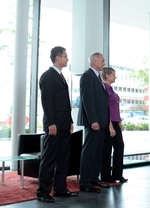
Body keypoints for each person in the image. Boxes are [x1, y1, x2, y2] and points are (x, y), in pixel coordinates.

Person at [36, 46, 78, 203]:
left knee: (63, 159)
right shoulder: (47, 76)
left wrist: (70, 122)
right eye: (65, 56)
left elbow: (64, 103)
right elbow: (47, 103)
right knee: (49, 160)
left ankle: (60, 189)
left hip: (64, 125)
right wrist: (51, 123)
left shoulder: (60, 76)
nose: (67, 59)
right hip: (54, 126)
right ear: (57, 58)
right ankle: (42, 192)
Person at [77, 52, 110, 193]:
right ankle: (85, 182)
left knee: (98, 152)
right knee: (89, 152)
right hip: (94, 122)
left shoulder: (98, 78)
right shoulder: (87, 76)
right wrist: (93, 120)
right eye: (102, 60)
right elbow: (87, 100)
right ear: (95, 62)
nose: (104, 63)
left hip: (101, 122)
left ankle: (94, 178)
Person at [100, 66, 128, 183]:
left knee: (119, 147)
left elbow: (115, 108)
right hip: (109, 123)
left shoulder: (111, 90)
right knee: (106, 150)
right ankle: (106, 175)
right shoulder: (104, 89)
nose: (115, 76)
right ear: (107, 75)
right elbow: (106, 109)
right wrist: (110, 125)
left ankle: (118, 175)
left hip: (116, 122)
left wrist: (119, 122)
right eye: (113, 74)